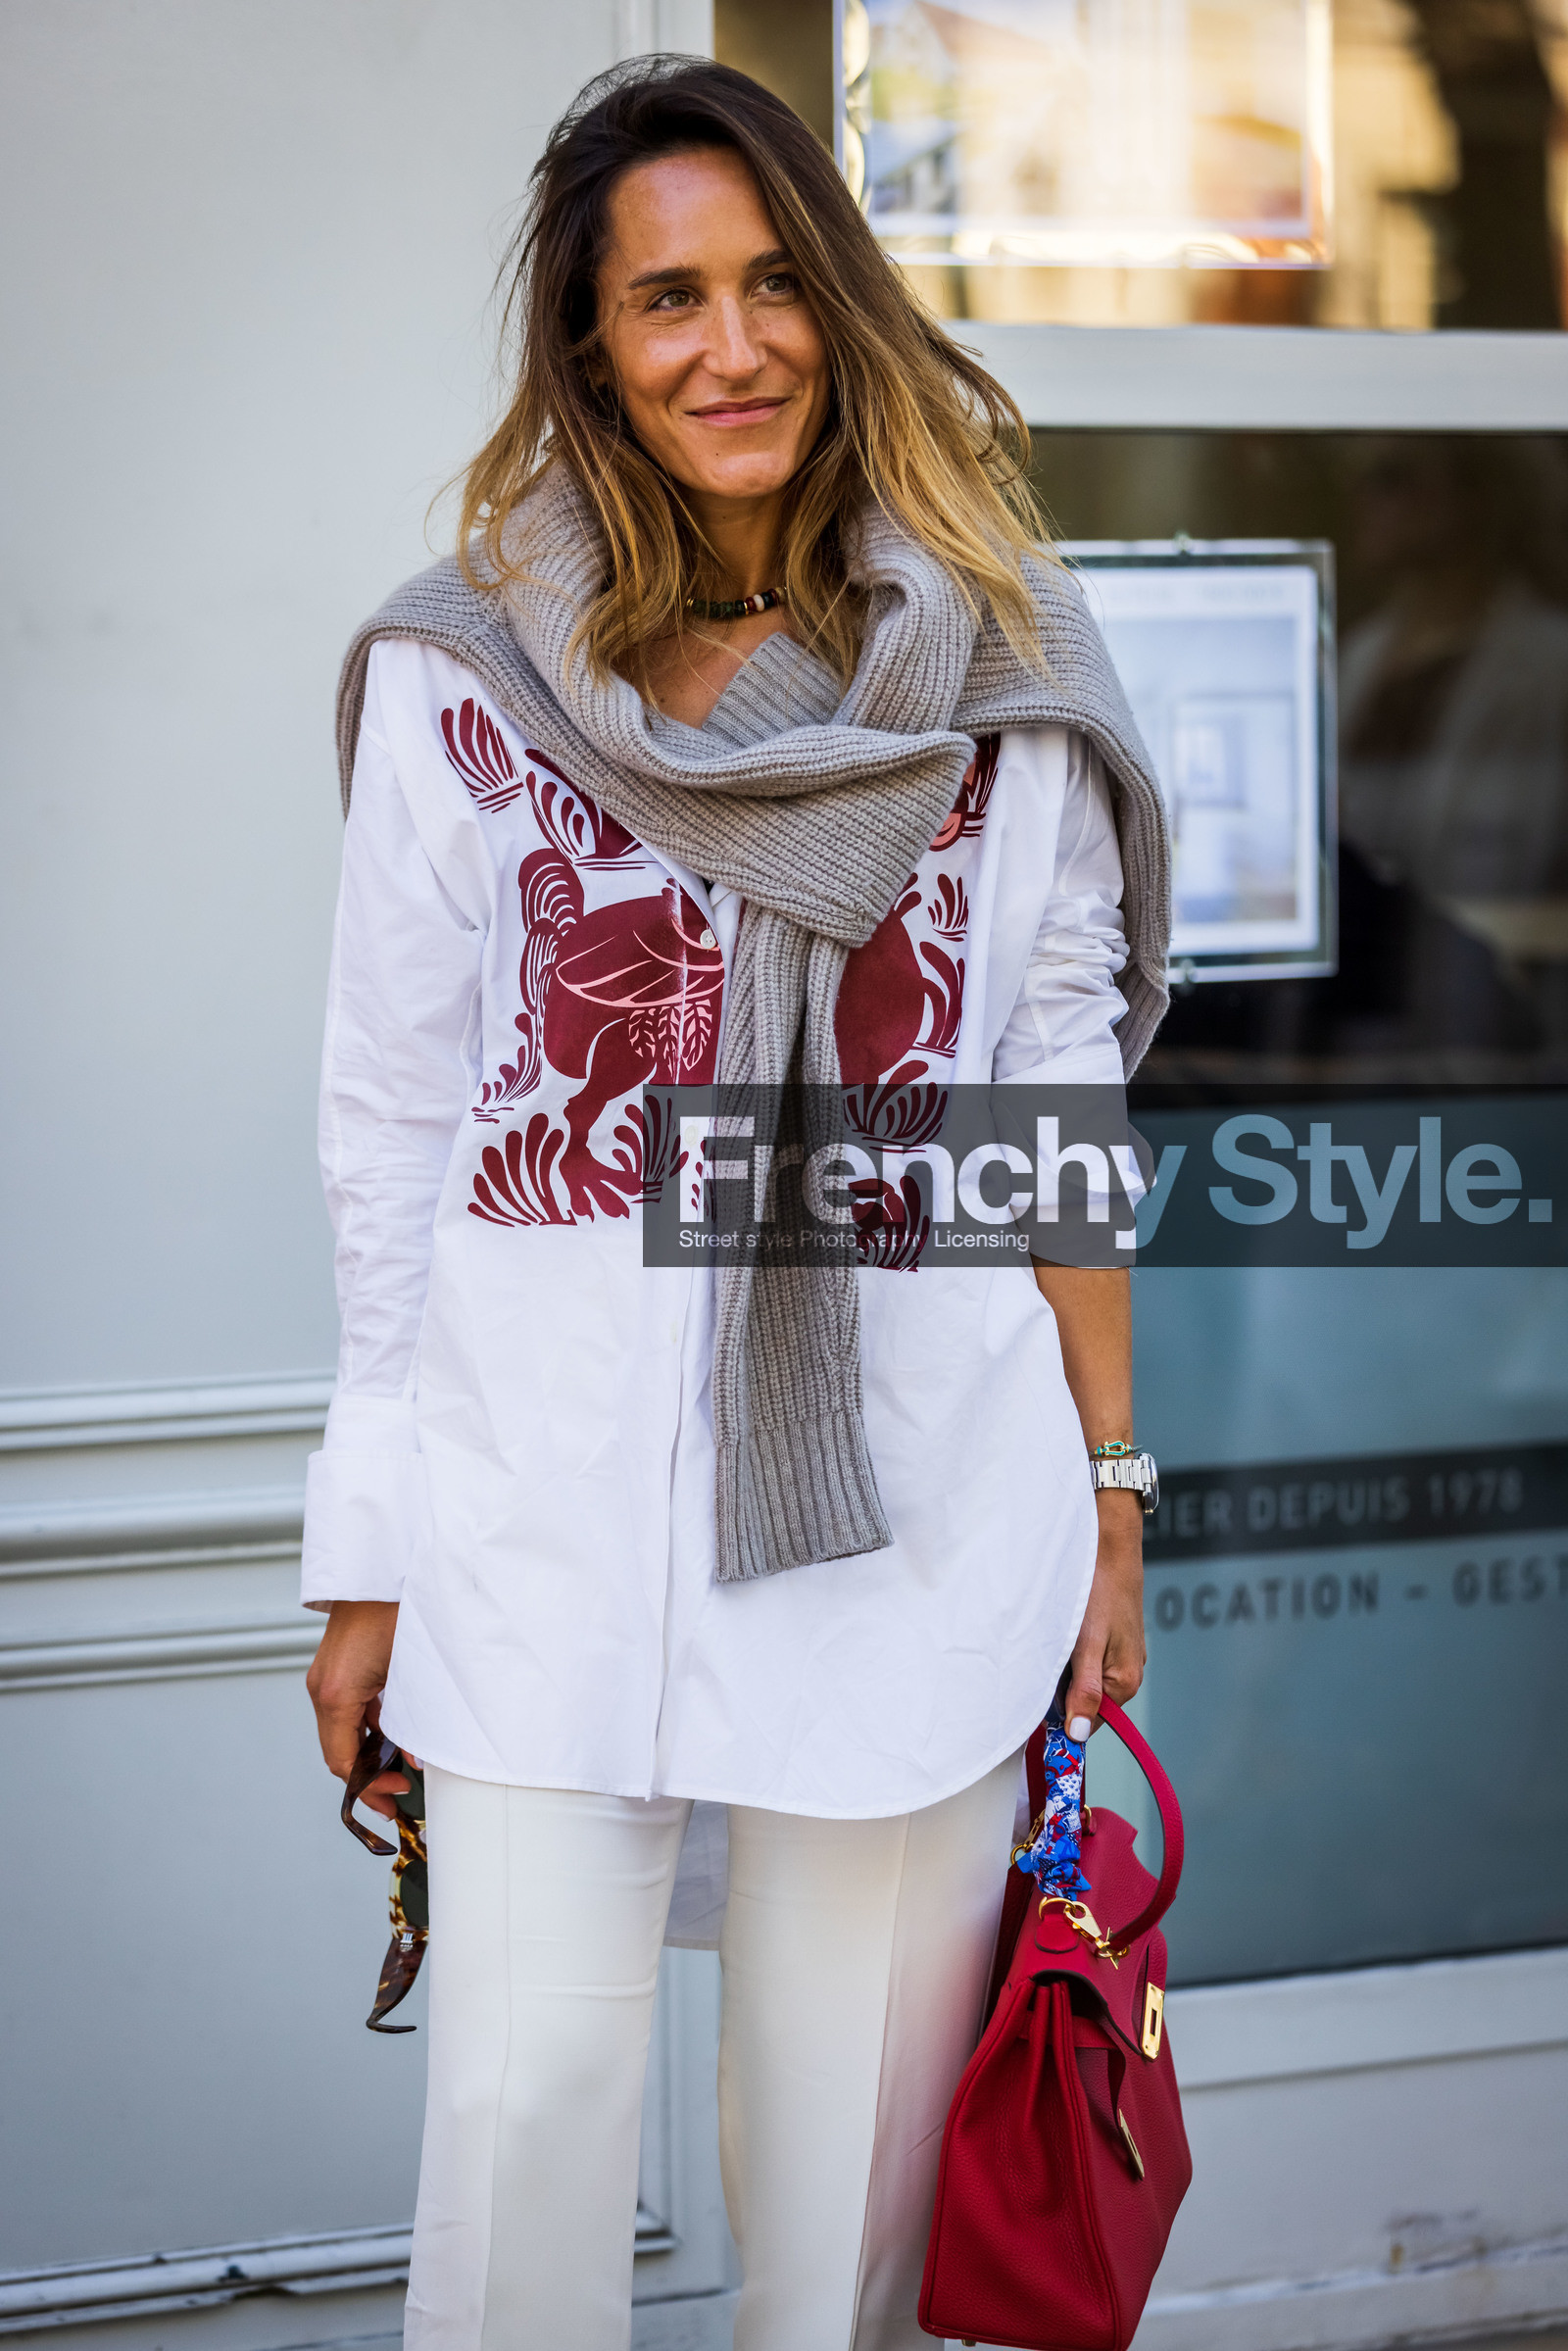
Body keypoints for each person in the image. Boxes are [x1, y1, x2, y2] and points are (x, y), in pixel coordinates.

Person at [302, 55, 1170, 2351]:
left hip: (911, 1533)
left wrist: (1106, 1482)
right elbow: (394, 1125)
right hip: (540, 1539)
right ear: (591, 348)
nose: (732, 344)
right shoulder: (464, 679)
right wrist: (365, 1547)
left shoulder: (1003, 682)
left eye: (780, 282)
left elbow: (1045, 1085)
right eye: (666, 298)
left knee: (849, 2227)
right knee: (522, 2140)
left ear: (848, 307)